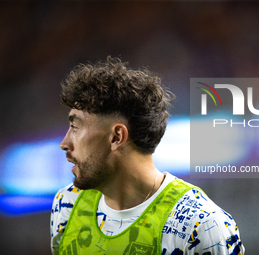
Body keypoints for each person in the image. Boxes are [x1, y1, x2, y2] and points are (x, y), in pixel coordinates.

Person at [50, 56, 245, 255]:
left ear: (116, 137)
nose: (64, 144)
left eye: (75, 127)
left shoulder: (200, 226)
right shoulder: (67, 204)